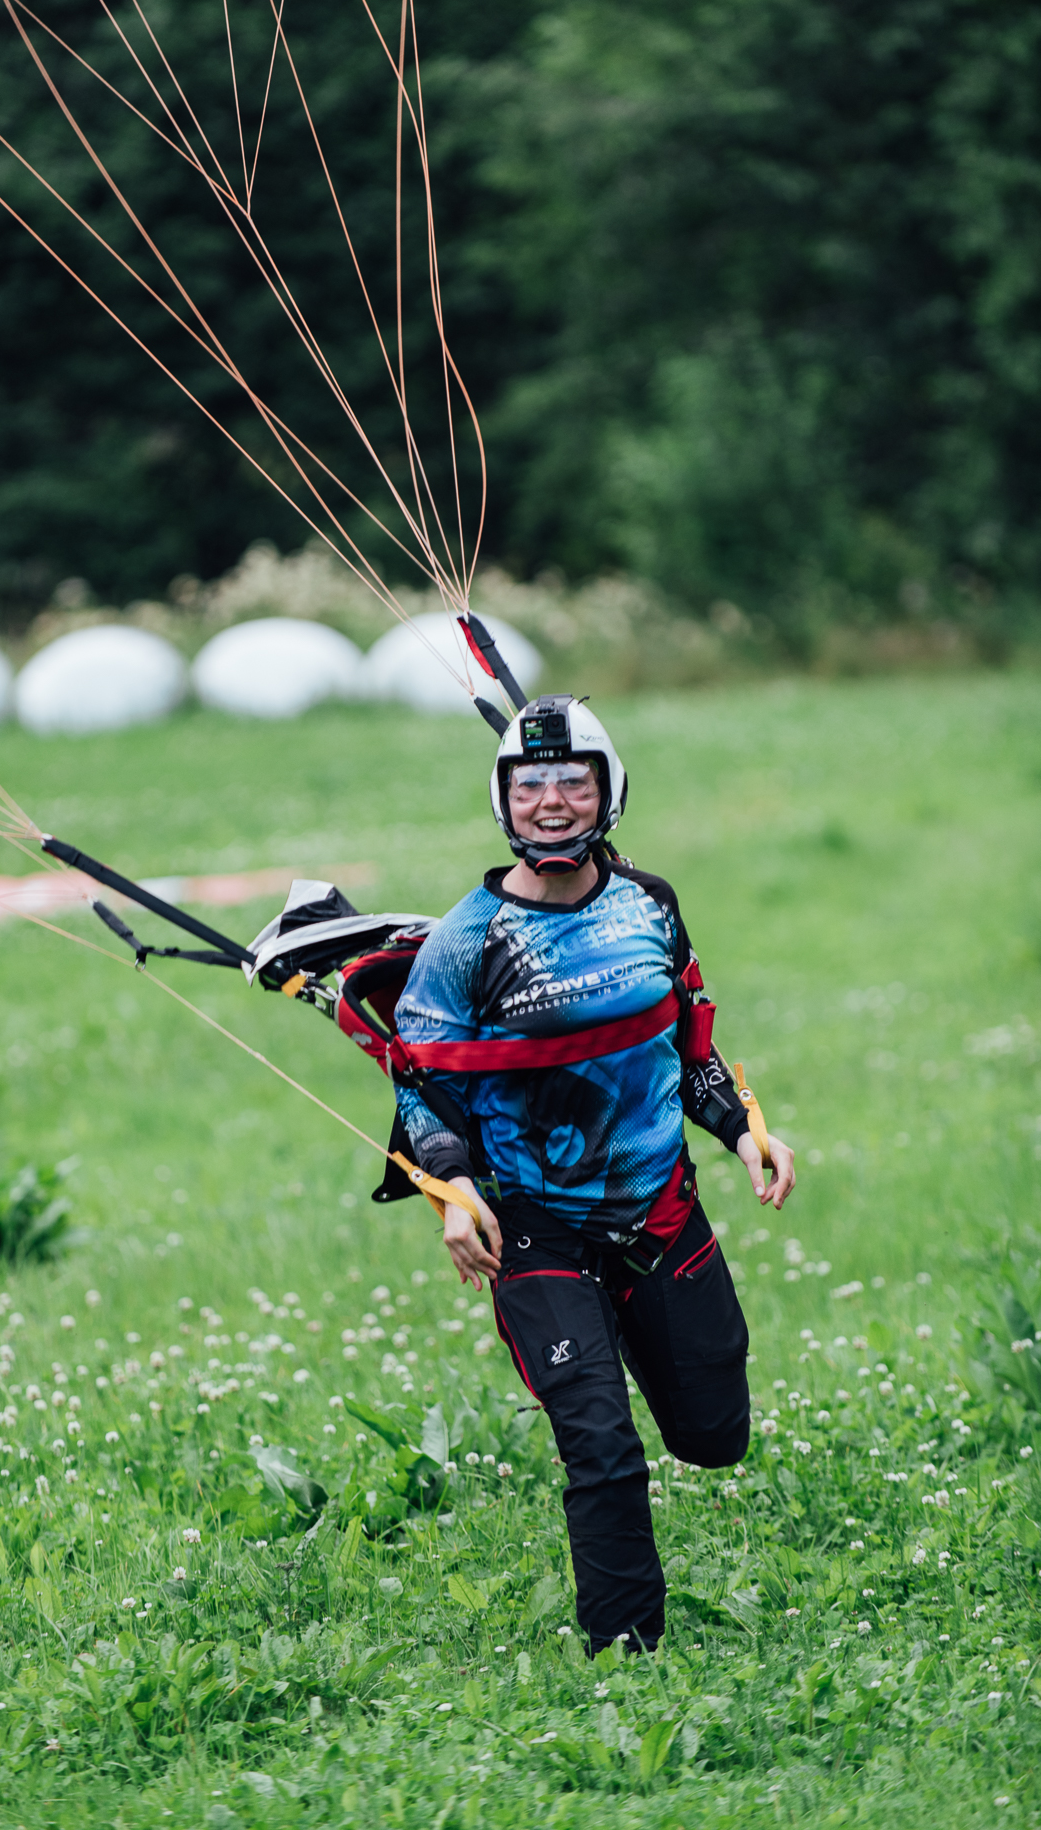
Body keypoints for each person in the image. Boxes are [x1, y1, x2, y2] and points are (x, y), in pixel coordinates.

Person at [392, 694, 795, 1655]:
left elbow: (688, 1040)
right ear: (503, 802)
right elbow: (419, 1092)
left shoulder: (648, 903)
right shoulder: (466, 942)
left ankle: (661, 1367)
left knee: (713, 1437)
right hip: (536, 1226)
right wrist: (453, 1194)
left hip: (659, 1210)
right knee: (601, 1445)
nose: (552, 802)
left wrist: (741, 1128)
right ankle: (629, 1659)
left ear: (609, 792)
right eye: (529, 785)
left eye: (573, 781)